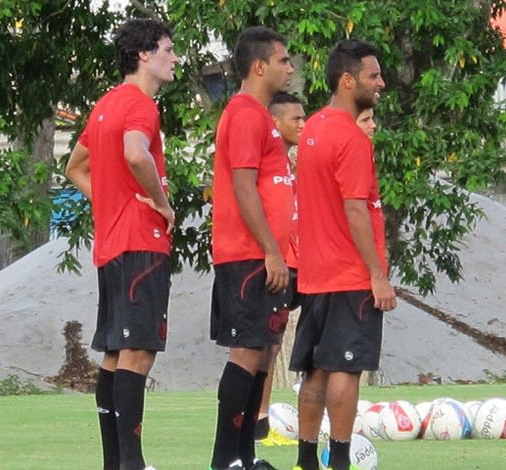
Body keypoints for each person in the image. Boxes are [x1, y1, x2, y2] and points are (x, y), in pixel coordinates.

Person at [65, 18, 177, 470]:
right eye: (168, 49)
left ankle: (116, 463)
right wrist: (161, 204)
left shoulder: (104, 105)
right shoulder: (140, 105)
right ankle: (132, 463)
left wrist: (110, 202)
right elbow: (135, 152)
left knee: (116, 353)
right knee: (138, 351)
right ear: (144, 54)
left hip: (112, 244)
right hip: (140, 242)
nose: (174, 57)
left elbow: (75, 167)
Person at [290, 39, 396, 470]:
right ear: (348, 80)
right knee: (344, 370)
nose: (381, 83)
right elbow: (355, 210)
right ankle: (339, 461)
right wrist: (377, 274)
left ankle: (305, 459)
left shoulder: (312, 127)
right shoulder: (351, 137)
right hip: (349, 274)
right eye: (374, 75)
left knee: (315, 368)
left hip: (314, 275)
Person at [209, 26, 295, 470]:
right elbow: (243, 186)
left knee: (261, 350)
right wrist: (270, 250)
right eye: (283, 60)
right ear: (259, 66)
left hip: (263, 255)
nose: (290, 68)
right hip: (246, 255)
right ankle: (225, 459)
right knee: (245, 352)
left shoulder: (262, 116)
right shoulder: (243, 113)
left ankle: (245, 454)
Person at [254, 92, 306, 442]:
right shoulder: (265, 165)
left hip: (297, 264)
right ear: (275, 124)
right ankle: (256, 423)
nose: (303, 125)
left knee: (272, 345)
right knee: (263, 346)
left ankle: (260, 420)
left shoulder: (290, 165)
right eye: (296, 119)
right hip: (274, 265)